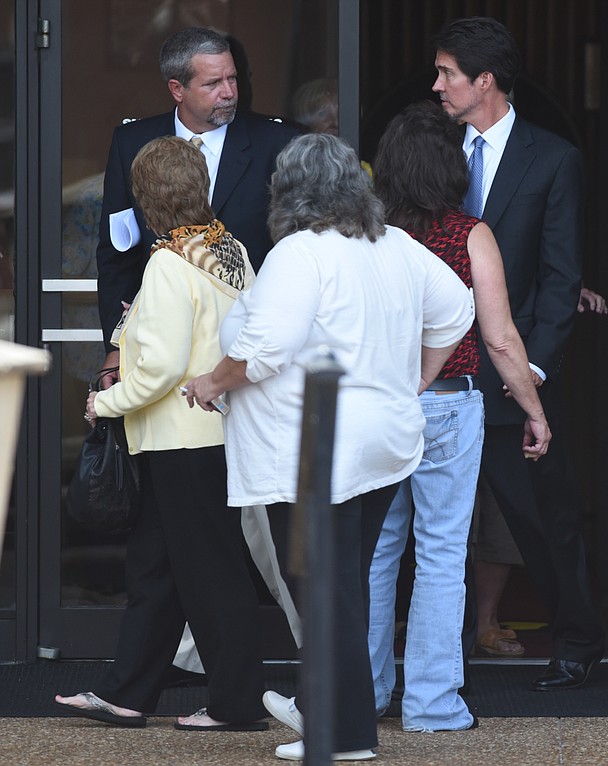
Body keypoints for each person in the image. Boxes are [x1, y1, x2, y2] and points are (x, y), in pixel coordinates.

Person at [182, 132, 478, 761]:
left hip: (317, 451)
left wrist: (210, 383)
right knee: (343, 584)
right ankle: (337, 722)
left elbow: (263, 350)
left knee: (324, 585)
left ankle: (340, 734)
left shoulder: (300, 252)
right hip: (384, 444)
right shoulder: (395, 244)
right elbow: (457, 308)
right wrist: (418, 378)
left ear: (287, 191)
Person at [55, 136, 267, 730]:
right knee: (158, 569)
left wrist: (108, 402)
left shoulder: (170, 263)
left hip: (181, 440)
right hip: (209, 436)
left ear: (146, 199)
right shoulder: (227, 248)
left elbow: (163, 366)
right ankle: (128, 693)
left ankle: (236, 705)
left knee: (212, 574)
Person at [432, 16, 605, 690]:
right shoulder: (435, 149)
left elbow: (562, 275)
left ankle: (578, 642)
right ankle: (436, 660)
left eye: (448, 72)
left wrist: (531, 370)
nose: (437, 84)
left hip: (514, 373)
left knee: (542, 519)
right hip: (438, 369)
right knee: (427, 525)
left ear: (486, 81)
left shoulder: (553, 157)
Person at [366, 100, 551, 732]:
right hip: (448, 402)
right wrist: (534, 410)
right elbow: (500, 339)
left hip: (380, 406)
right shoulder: (470, 234)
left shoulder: (365, 235)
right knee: (443, 553)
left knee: (377, 551)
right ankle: (432, 703)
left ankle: (362, 693)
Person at [96, 26, 297, 383]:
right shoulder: (131, 142)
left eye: (232, 78)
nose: (230, 93)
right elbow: (117, 251)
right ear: (177, 89)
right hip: (155, 347)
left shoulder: (277, 143)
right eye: (213, 84)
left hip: (250, 349)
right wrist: (115, 346)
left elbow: (294, 249)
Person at [474, 287, 607, 658]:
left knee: (496, 519)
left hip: (473, 385)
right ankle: (439, 655)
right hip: (461, 379)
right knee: (432, 531)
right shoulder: (446, 234)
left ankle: (478, 628)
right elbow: (499, 338)